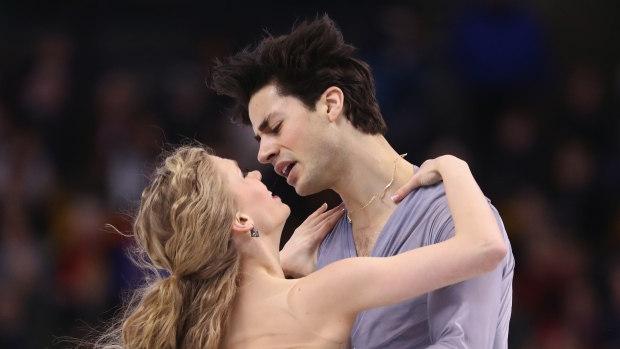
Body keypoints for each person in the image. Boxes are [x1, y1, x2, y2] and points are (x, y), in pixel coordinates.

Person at [211, 15, 515, 348]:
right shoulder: (321, 248)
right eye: (258, 140)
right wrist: (285, 279)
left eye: (275, 128)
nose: (263, 154)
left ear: (331, 104)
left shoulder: (455, 213)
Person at [97, 145, 506, 349]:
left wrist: (279, 264)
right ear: (241, 222)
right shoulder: (327, 290)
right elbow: (485, 248)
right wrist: (453, 166)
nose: (258, 174)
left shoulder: (198, 329)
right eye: (241, 177)